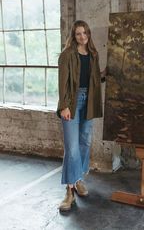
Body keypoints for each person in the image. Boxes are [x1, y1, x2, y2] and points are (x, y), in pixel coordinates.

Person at [56, 20, 106, 212]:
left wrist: (106, 73)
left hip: (89, 101)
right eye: (78, 34)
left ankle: (78, 179)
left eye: (85, 33)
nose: (82, 37)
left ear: (88, 34)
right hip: (72, 102)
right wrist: (64, 106)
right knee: (72, 147)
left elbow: (93, 78)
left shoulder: (93, 54)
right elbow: (63, 83)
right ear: (73, 35)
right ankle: (69, 191)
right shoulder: (67, 55)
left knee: (85, 141)